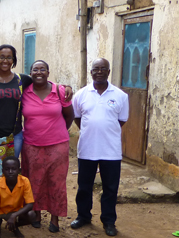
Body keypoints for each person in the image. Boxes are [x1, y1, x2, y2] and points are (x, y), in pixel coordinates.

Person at [0, 44, 73, 206]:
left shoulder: (22, 79)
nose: (5, 60)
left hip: (15, 135)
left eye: (9, 57)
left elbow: (42, 81)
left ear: (14, 61)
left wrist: (65, 87)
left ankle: (10, 208)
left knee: (10, 172)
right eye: (1, 57)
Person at [70, 58, 129, 237]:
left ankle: (109, 221)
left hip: (111, 151)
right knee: (84, 186)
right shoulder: (81, 94)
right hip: (87, 149)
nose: (99, 71)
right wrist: (92, 130)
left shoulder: (120, 96)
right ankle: (83, 216)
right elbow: (77, 118)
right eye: (96, 69)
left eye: (103, 68)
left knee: (110, 188)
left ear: (109, 72)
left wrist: (105, 130)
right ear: (91, 72)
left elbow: (122, 120)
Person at [20, 60, 75, 232]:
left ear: (48, 73)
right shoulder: (25, 93)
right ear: (30, 73)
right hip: (31, 144)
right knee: (34, 181)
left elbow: (69, 116)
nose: (39, 72)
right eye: (35, 69)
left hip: (57, 146)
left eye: (42, 69)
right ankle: (36, 213)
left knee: (56, 181)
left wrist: (56, 132)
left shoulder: (59, 91)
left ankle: (54, 217)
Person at [0, 156, 36, 238]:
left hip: (15, 211)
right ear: (3, 171)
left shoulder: (25, 181)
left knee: (31, 215)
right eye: (7, 169)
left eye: (14, 169)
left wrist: (14, 215)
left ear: (19, 171)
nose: (10, 172)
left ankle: (14, 227)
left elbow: (30, 204)